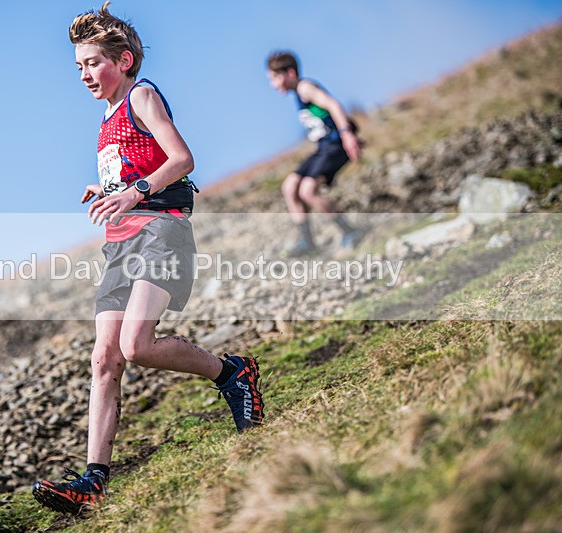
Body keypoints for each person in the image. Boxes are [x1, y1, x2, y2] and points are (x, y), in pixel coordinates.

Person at [32, 2, 264, 515]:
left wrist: (134, 191)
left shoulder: (142, 94)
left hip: (161, 230)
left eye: (93, 62)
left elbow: (181, 159)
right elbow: (140, 168)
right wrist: (108, 188)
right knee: (104, 358)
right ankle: (92, 482)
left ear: (126, 59)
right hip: (120, 241)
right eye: (78, 67)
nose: (85, 74)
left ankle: (231, 372)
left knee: (136, 346)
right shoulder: (105, 118)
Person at [266, 51, 365, 255]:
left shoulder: (305, 88)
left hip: (335, 146)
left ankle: (350, 231)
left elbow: (333, 104)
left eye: (275, 77)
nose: (273, 84)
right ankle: (308, 242)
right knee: (290, 186)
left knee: (308, 191)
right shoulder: (298, 93)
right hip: (322, 148)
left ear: (290, 73)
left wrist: (347, 134)